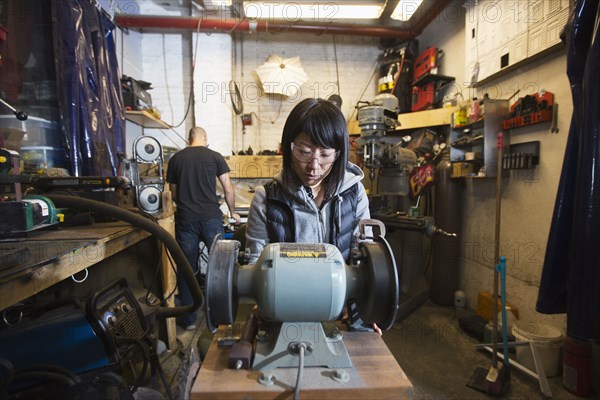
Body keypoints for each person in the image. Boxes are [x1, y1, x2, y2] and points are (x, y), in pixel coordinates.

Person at [246, 97, 370, 264]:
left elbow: (365, 255)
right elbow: (255, 264)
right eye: (304, 152)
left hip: (343, 289)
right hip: (285, 290)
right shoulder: (267, 198)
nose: (314, 166)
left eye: (325, 155)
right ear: (289, 148)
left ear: (338, 154)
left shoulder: (354, 192)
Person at [167, 127, 241, 330]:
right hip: (211, 218)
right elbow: (227, 187)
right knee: (220, 268)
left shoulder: (176, 159)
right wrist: (233, 212)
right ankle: (220, 318)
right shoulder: (215, 157)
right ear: (205, 138)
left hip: (186, 219)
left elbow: (173, 194)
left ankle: (189, 320)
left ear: (189, 138)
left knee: (187, 268)